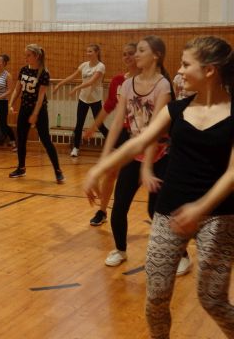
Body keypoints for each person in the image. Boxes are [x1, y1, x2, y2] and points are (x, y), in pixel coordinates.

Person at [86, 36, 234, 338]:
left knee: (212, 299)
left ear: (209, 70)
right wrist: (99, 168)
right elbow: (138, 142)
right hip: (169, 213)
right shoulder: (176, 110)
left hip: (219, 216)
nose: (179, 71)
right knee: (155, 299)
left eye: (186, 64)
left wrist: (199, 208)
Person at [84, 36, 182, 271]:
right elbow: (118, 123)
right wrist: (103, 161)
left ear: (156, 55)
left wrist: (147, 167)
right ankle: (120, 249)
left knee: (155, 210)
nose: (135, 55)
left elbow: (154, 131)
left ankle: (182, 254)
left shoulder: (163, 86)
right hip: (134, 152)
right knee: (119, 206)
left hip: (160, 155)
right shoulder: (127, 85)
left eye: (141, 51)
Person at [83, 43, 139, 226]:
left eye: (131, 53)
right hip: (124, 131)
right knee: (110, 172)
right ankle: (102, 211)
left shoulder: (149, 80)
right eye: (124, 54)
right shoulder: (118, 81)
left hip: (143, 134)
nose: (127, 57)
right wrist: (93, 127)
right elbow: (108, 106)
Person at [8, 44, 65, 183]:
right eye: (25, 55)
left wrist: (35, 114)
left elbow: (40, 97)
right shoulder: (23, 70)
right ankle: (21, 168)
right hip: (24, 108)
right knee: (21, 139)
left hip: (39, 110)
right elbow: (17, 89)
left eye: (28, 55)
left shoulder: (43, 73)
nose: (26, 58)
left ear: (37, 56)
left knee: (45, 140)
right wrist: (11, 103)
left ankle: (58, 171)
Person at [53, 44, 107, 157]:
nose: (88, 53)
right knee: (79, 124)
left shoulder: (100, 66)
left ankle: (115, 145)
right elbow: (72, 76)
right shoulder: (84, 65)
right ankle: (76, 148)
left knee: (100, 125)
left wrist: (77, 88)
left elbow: (91, 82)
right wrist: (59, 84)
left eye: (90, 51)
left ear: (97, 52)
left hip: (95, 99)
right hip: (83, 99)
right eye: (87, 51)